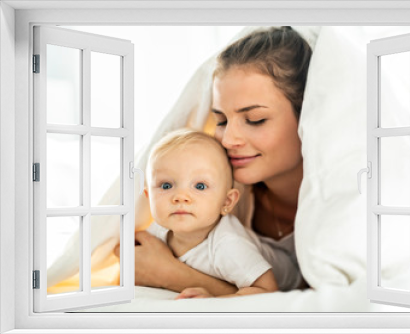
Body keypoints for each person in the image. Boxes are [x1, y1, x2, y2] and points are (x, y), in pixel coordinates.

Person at [116, 26, 312, 298]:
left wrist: (171, 274)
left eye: (255, 119)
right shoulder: (216, 181)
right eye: (220, 120)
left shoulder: (342, 200)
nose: (228, 139)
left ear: (308, 117)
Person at [143, 128, 278, 298]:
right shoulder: (158, 231)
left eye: (200, 186)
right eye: (166, 186)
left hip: (291, 272)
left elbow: (268, 291)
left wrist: (214, 301)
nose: (180, 197)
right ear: (149, 197)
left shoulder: (228, 245)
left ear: (226, 202)